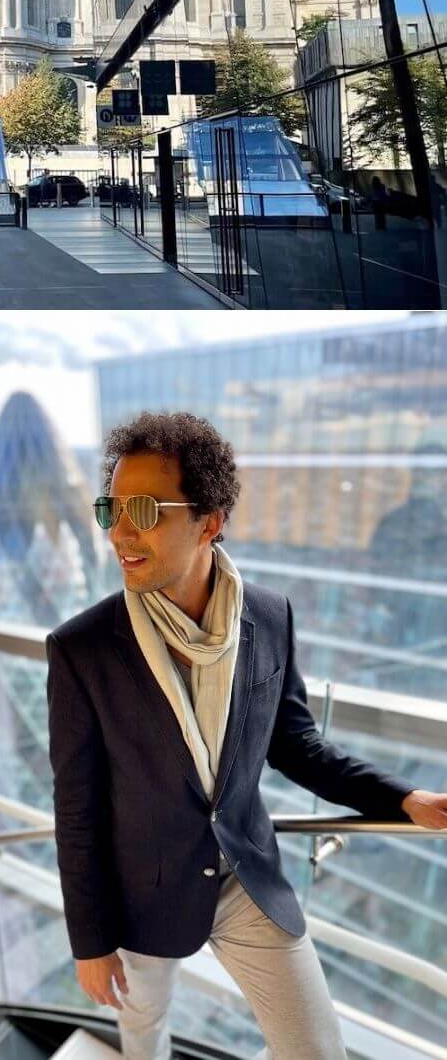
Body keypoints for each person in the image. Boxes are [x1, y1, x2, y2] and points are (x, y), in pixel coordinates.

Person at [47, 411, 447, 1060]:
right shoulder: (81, 650)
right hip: (140, 891)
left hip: (245, 877)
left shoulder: (269, 616)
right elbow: (78, 809)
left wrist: (401, 799)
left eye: (144, 509)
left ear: (210, 521)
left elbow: (297, 744)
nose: (119, 531)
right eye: (110, 509)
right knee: (142, 1038)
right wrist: (89, 942)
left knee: (316, 1051)